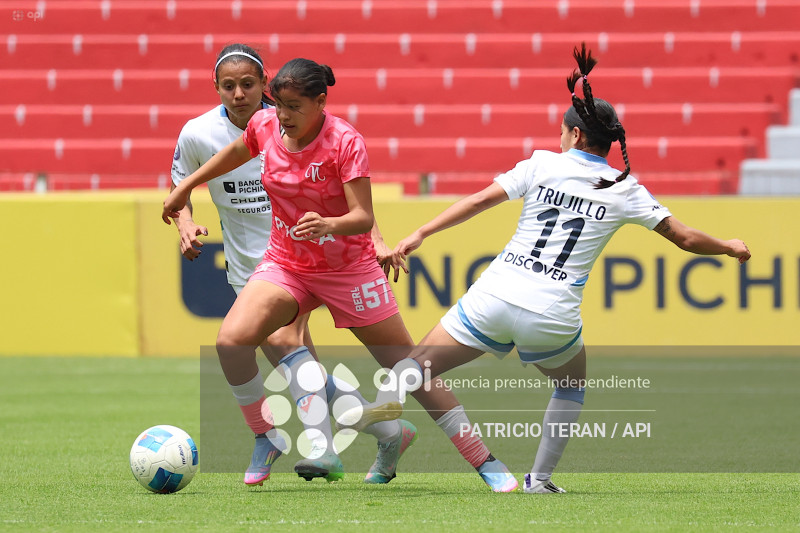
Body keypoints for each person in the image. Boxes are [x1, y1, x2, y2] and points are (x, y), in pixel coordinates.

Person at [342, 43, 751, 494]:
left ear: (575, 137)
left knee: (415, 366)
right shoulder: (625, 187)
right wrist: (729, 247)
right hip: (551, 312)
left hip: (495, 295)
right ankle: (539, 479)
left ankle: (386, 408)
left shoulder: (541, 164)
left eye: (562, 131)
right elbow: (686, 238)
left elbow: (479, 200)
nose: (558, 137)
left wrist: (420, 234)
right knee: (571, 387)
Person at [162, 57, 517, 492]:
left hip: (347, 268)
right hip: (287, 263)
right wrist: (186, 187)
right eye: (279, 105)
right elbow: (239, 150)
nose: (283, 116)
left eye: (294, 107)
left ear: (321, 102)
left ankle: (484, 460)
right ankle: (267, 434)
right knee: (231, 341)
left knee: (409, 370)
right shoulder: (266, 126)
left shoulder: (344, 142)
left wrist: (329, 224)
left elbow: (363, 217)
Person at [169, 45, 415, 488]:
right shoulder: (197, 133)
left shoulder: (291, 120)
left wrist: (374, 239)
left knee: (287, 345)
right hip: (247, 267)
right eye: (229, 85)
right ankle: (386, 431)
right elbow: (181, 186)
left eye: (248, 84)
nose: (239, 93)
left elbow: (342, 193)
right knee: (300, 372)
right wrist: (185, 224)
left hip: (297, 258)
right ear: (217, 88)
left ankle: (295, 445)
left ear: (265, 85)